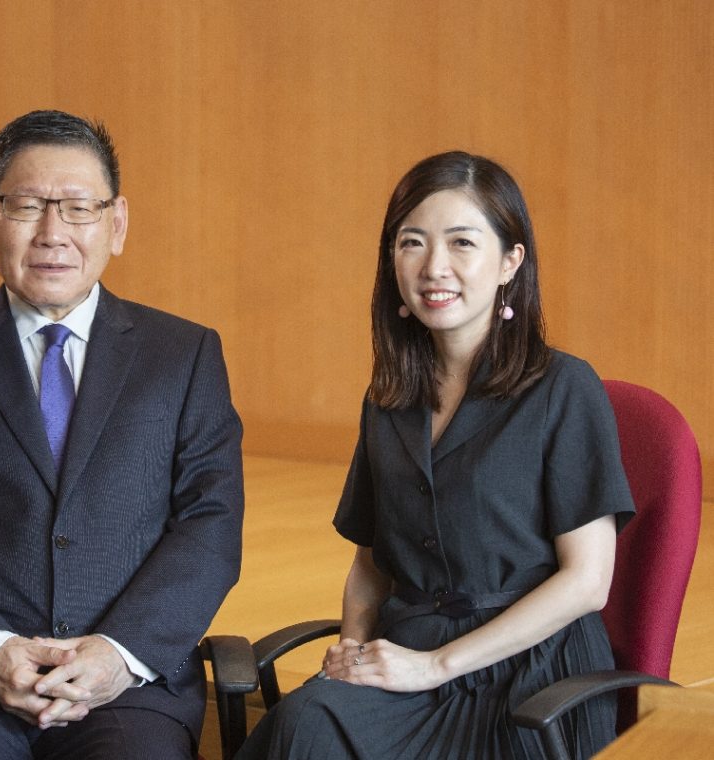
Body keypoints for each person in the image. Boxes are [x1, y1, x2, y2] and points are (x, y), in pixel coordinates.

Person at [0, 109, 244, 760]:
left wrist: (118, 654)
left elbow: (211, 526)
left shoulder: (184, 356)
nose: (52, 233)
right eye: (28, 205)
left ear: (116, 223)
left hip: (123, 679)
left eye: (78, 208)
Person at [235, 151, 635, 759]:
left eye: (462, 243)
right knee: (306, 723)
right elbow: (371, 565)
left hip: (530, 672)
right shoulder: (389, 397)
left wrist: (436, 666)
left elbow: (587, 582)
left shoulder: (564, 388)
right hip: (412, 655)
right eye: (412, 243)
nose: (434, 267)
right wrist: (353, 648)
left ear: (510, 262)